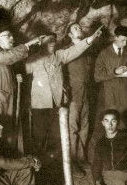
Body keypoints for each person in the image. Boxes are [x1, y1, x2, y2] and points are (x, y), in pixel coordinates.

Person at [25, 27, 102, 173]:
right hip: (40, 104)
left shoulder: (60, 56)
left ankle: (56, 167)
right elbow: (22, 70)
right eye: (48, 41)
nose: (52, 43)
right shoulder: (33, 59)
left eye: (54, 40)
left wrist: (90, 40)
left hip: (57, 103)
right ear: (41, 43)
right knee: (39, 137)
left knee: (57, 136)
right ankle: (36, 167)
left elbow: (76, 50)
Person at [0, 24, 43, 146]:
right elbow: (7, 57)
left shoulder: (3, 52)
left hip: (3, 96)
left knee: (4, 131)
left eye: (12, 35)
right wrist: (27, 45)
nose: (12, 38)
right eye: (8, 36)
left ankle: (5, 160)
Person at [64, 23, 96, 168]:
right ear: (70, 35)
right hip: (73, 95)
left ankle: (82, 158)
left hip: (86, 95)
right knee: (73, 128)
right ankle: (73, 160)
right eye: (76, 28)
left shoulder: (88, 52)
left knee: (85, 127)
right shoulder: (67, 51)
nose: (80, 29)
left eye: (80, 27)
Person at [94, 25, 127, 127]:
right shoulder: (104, 53)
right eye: (123, 40)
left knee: (126, 123)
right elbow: (97, 76)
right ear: (115, 38)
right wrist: (115, 72)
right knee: (112, 124)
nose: (125, 43)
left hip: (126, 94)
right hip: (111, 95)